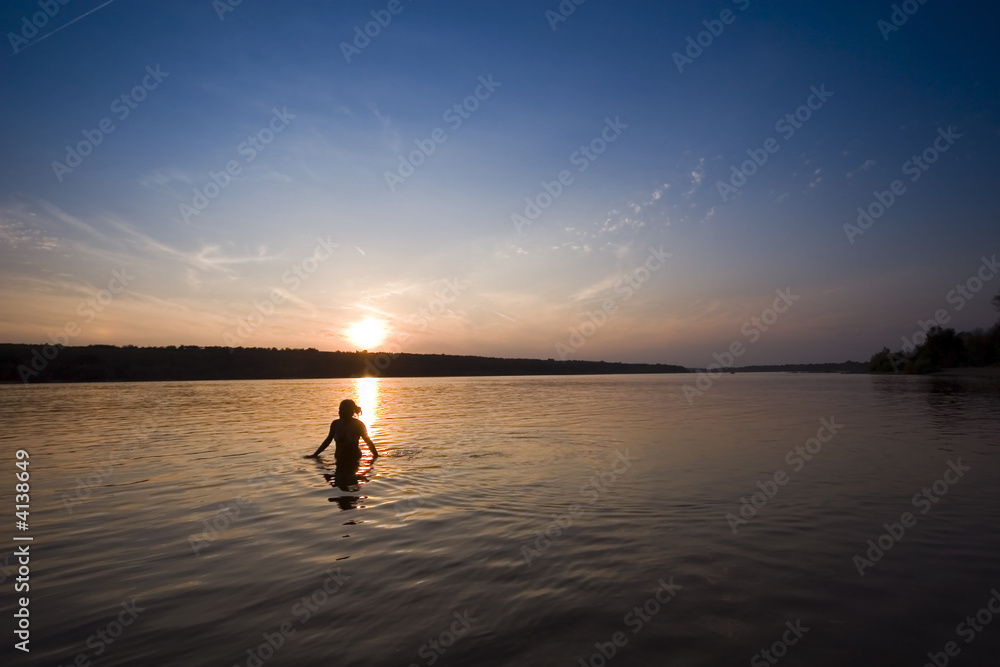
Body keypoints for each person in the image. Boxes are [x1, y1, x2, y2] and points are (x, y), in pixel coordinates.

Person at [306, 399, 379, 462]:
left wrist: (376, 456)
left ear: (351, 411)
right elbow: (328, 441)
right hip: (338, 458)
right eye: (340, 409)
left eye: (343, 409)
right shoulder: (335, 424)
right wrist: (314, 455)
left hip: (354, 459)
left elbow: (368, 442)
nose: (340, 412)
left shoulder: (359, 425)